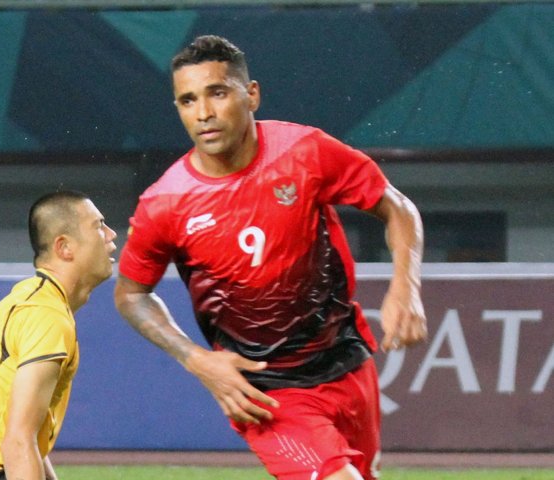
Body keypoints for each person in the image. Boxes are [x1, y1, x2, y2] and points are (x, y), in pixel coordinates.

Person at [114, 35, 427, 480]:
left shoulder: (307, 152)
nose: (203, 112)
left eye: (217, 93)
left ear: (252, 94)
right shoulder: (164, 203)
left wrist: (406, 286)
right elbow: (130, 294)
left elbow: (396, 207)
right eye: (187, 100)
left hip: (347, 362)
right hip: (264, 392)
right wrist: (194, 358)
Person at [0, 191, 117, 480]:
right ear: (64, 247)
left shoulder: (35, 304)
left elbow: (30, 442)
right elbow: (17, 443)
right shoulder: (46, 315)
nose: (111, 235)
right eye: (98, 225)